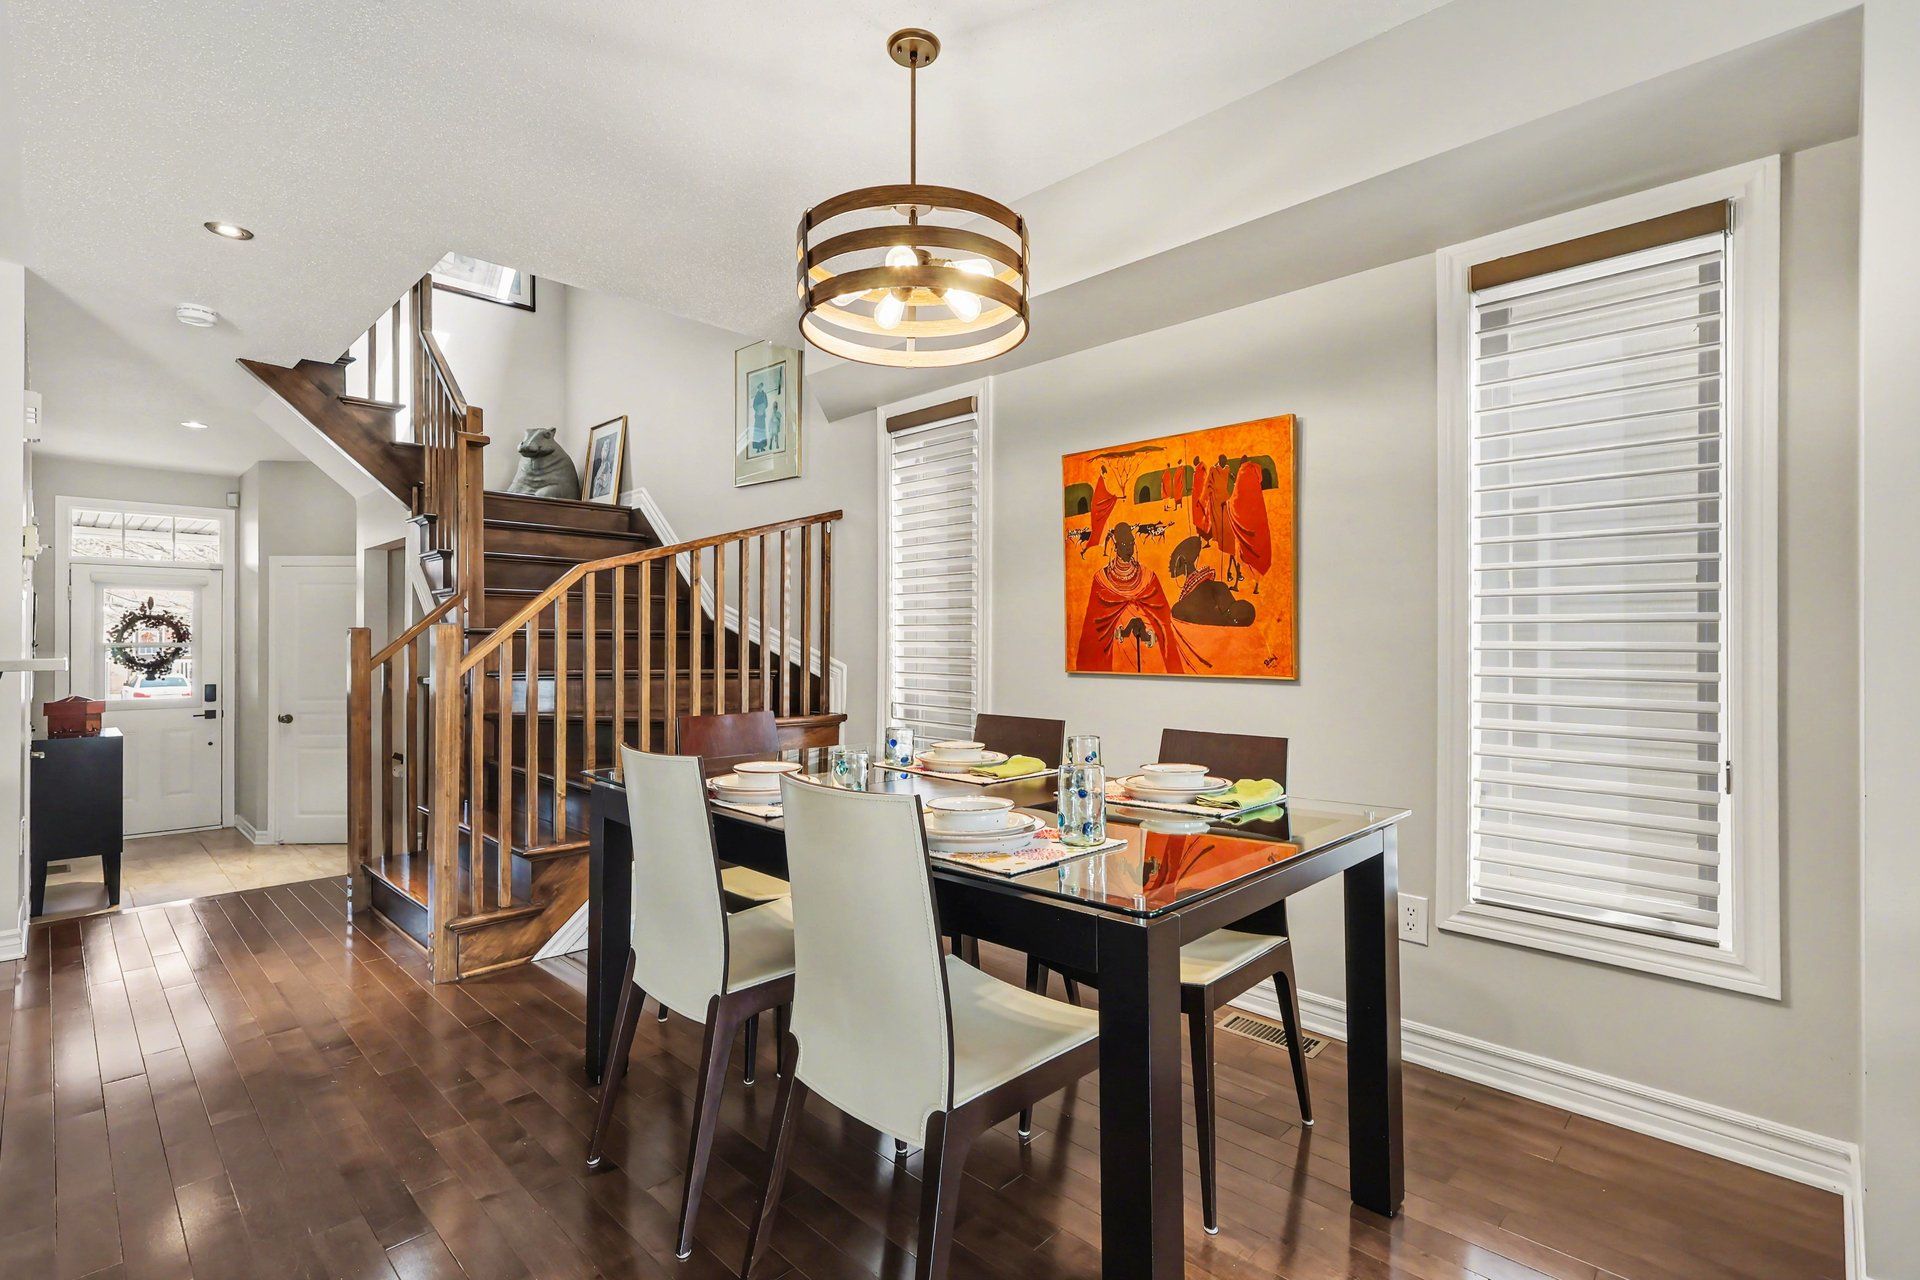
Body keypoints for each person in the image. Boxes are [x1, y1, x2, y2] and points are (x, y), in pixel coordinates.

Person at [1074, 522, 1199, 673]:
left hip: (1149, 654)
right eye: (1124, 544)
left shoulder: (1148, 577)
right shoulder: (1102, 580)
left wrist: (1147, 629)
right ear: (1116, 546)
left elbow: (1164, 623)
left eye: (1131, 543)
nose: (1128, 548)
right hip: (1117, 659)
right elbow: (1094, 629)